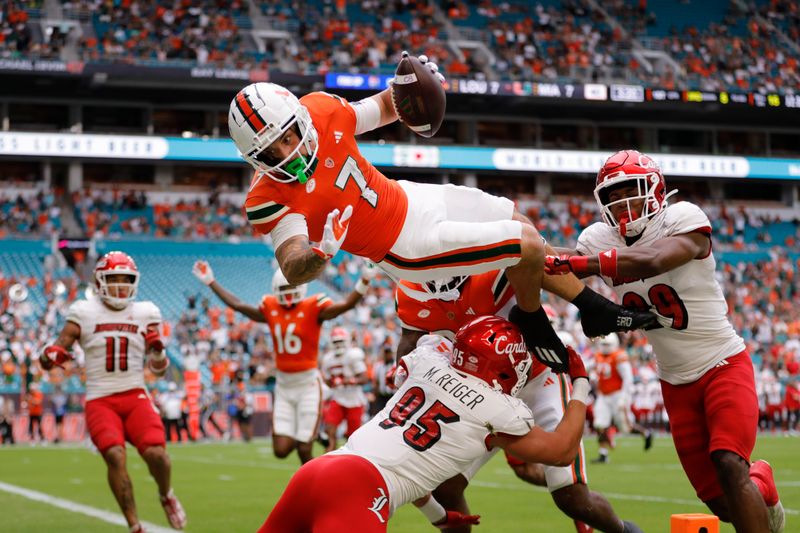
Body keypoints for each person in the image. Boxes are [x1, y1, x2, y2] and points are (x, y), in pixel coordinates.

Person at [227, 56, 658, 373]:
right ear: (255, 158)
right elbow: (292, 261)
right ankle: (540, 315)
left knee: (523, 223)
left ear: (300, 116)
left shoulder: (322, 110)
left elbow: (388, 106)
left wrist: (419, 86)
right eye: (272, 150)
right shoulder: (268, 196)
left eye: (287, 137)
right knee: (523, 245)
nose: (287, 152)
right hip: (403, 248)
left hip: (411, 198)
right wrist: (319, 253)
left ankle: (594, 303)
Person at [545, 149, 785, 533]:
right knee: (721, 503)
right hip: (674, 382)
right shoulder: (597, 238)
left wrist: (582, 264)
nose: (622, 203)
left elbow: (654, 259)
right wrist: (518, 246)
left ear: (654, 189)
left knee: (728, 462)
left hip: (722, 362)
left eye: (630, 191)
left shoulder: (682, 218)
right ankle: (763, 484)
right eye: (613, 195)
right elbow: (556, 261)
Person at [258, 316, 591, 533]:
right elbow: (561, 452)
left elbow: (404, 462)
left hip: (320, 471)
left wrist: (440, 517)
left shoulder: (427, 363)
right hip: (360, 490)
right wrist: (579, 383)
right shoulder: (498, 409)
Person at [395, 272, 642, 533]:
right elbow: (409, 339)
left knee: (572, 497)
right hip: (482, 390)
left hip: (536, 377)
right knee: (446, 486)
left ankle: (626, 531)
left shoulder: (492, 271)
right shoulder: (410, 288)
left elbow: (544, 263)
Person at [39, 251, 186, 532]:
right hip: (100, 398)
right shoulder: (84, 311)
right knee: (115, 456)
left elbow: (159, 369)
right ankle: (134, 525)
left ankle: (166, 495)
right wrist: (51, 356)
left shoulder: (146, 312)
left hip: (134, 394)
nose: (120, 285)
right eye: (113, 279)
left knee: (158, 455)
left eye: (125, 279)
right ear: (99, 282)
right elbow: (51, 354)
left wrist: (157, 352)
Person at [192, 259, 374, 463]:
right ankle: (314, 435)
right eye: (283, 289)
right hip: (284, 386)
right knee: (281, 450)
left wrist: (364, 280)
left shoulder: (313, 306)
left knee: (305, 450)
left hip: (307, 384)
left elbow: (347, 304)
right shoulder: (271, 307)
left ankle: (315, 479)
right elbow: (238, 305)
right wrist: (211, 281)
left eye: (291, 288)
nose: (287, 294)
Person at [590, 333, 653, 464]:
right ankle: (603, 453)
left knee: (625, 428)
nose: (605, 347)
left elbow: (628, 378)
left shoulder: (618, 356)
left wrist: (624, 398)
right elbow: (592, 366)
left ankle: (645, 433)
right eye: (603, 344)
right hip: (603, 395)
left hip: (618, 394)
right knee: (599, 424)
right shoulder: (598, 355)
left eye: (607, 344)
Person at [319, 326, 369, 451]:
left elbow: (364, 378)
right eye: (335, 342)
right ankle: (329, 457)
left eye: (340, 341)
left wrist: (350, 380)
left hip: (354, 399)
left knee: (352, 436)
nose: (338, 344)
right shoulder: (328, 359)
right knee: (330, 429)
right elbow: (327, 380)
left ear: (346, 340)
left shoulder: (353, 354)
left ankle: (351, 459)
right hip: (338, 397)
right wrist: (332, 382)